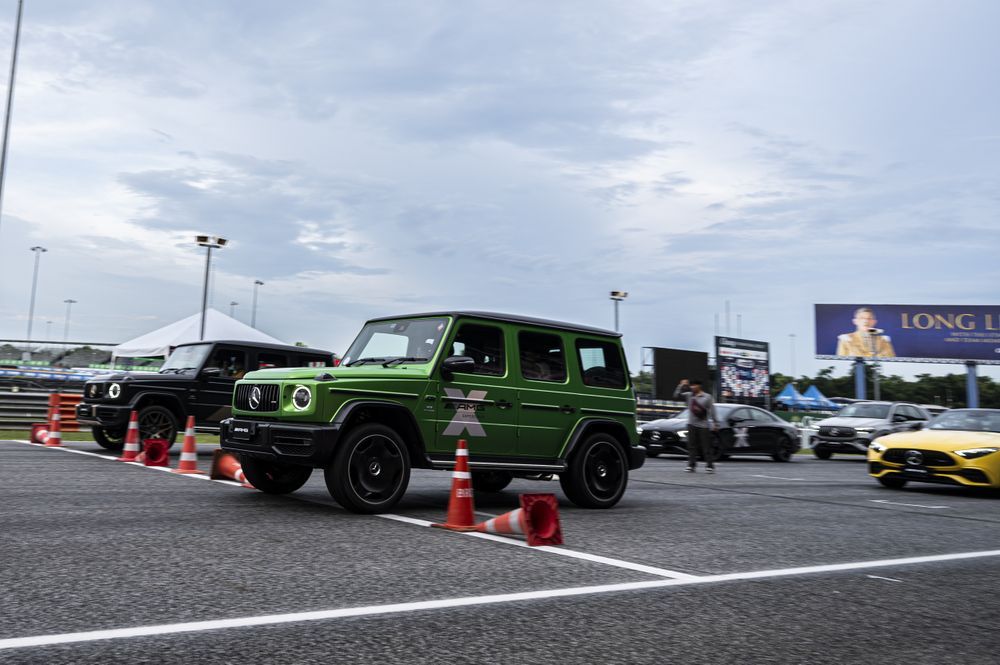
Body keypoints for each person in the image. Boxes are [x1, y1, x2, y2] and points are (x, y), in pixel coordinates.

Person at [682, 379, 720, 473]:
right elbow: (676, 396)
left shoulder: (707, 397)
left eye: (694, 385)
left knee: (706, 447)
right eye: (691, 385)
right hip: (691, 424)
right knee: (691, 446)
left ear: (699, 386)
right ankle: (691, 466)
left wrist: (715, 423)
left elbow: (712, 410)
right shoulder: (689, 396)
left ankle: (710, 466)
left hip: (703, 426)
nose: (692, 387)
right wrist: (681, 385)